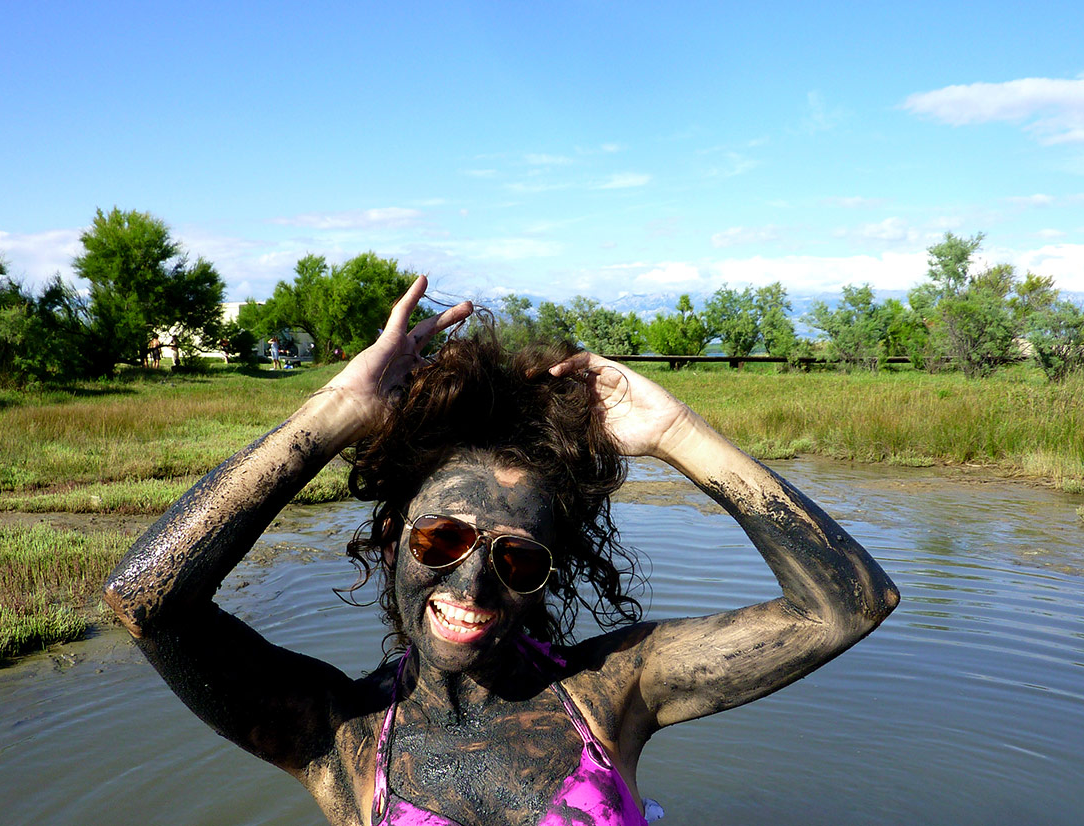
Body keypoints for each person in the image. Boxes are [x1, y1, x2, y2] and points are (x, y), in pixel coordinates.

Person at [105, 276, 899, 825]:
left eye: (517, 557)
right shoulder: (340, 735)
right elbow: (145, 601)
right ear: (393, 540)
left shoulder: (611, 694)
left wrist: (676, 433)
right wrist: (334, 412)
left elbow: (848, 606)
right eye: (441, 537)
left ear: (550, 573)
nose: (474, 581)